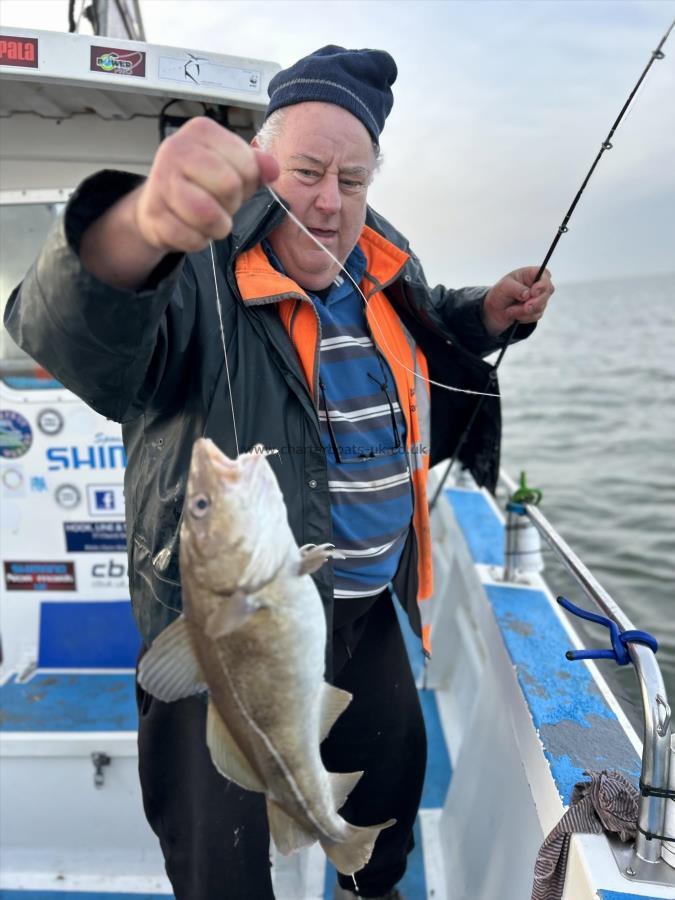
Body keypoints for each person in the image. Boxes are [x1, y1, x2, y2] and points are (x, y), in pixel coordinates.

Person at [5, 45, 553, 900]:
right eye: (306, 171)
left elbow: (419, 322)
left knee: (385, 804)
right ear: (265, 163)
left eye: (353, 179)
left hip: (366, 610)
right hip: (228, 620)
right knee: (218, 862)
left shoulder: (382, 256)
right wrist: (143, 222)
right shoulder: (199, 266)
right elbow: (72, 332)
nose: (328, 203)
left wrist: (480, 316)